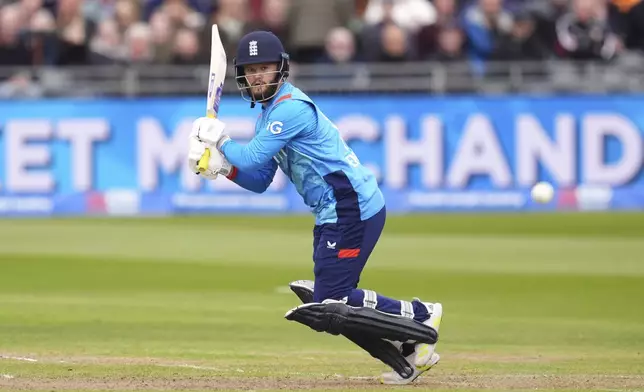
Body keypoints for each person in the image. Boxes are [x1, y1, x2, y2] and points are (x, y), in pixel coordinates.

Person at [186, 30, 443, 385]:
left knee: (330, 304)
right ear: (242, 76)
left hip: (352, 207)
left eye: (265, 67)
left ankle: (421, 320)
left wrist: (220, 139)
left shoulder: (290, 109)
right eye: (251, 69)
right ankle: (412, 340)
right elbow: (260, 179)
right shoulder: (267, 116)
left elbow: (252, 154)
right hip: (333, 211)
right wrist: (224, 169)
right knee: (329, 302)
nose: (258, 75)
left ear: (281, 70)